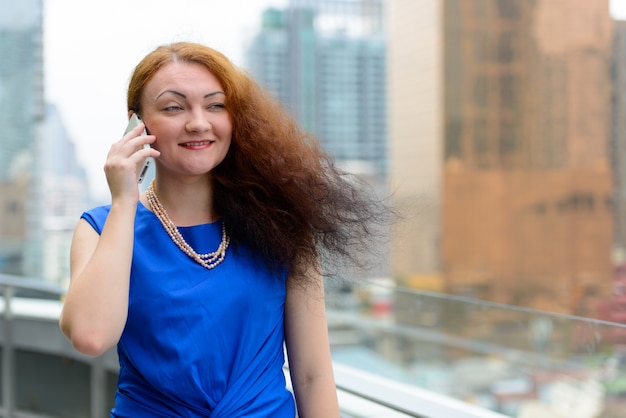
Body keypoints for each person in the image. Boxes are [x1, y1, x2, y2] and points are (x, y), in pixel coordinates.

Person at [59, 41, 387, 417]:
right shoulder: (102, 227)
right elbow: (90, 336)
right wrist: (123, 202)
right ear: (136, 122)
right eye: (173, 107)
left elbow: (313, 375)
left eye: (215, 105)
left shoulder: (280, 224)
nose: (198, 122)